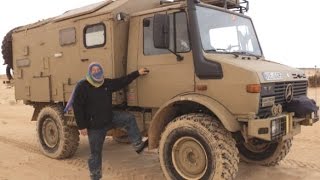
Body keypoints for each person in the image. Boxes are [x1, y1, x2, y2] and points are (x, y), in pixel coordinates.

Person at [68, 62, 149, 180]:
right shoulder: (83, 86)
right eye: (93, 70)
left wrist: (137, 73)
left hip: (109, 118)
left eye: (98, 69)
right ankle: (95, 176)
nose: (96, 71)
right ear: (90, 72)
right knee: (95, 154)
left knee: (129, 118)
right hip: (95, 126)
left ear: (101, 70)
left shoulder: (106, 83)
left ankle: (137, 145)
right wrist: (82, 126)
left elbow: (122, 81)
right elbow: (77, 107)